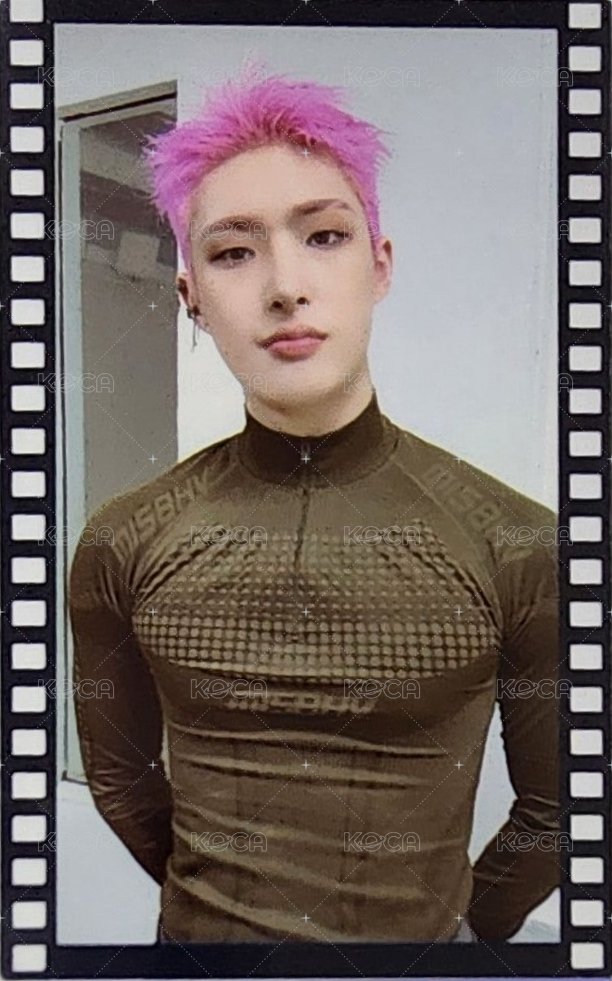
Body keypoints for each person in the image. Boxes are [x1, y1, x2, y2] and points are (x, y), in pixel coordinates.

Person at [68, 64, 560, 945]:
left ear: (379, 266)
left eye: (324, 236)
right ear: (190, 297)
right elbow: (121, 781)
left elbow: (561, 805)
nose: (285, 285)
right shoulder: (121, 540)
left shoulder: (518, 541)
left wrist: (452, 943)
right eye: (233, 251)